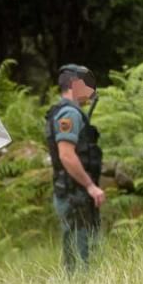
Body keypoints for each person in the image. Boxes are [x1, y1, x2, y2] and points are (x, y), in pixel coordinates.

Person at [44, 63, 104, 272]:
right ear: (75, 84)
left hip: (73, 194)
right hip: (74, 195)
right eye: (87, 84)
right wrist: (90, 186)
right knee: (81, 261)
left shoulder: (67, 112)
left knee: (81, 257)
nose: (91, 89)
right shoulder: (70, 114)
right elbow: (67, 156)